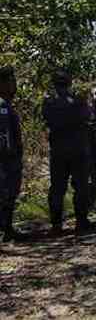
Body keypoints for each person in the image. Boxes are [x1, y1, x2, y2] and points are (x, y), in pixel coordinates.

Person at [42, 71, 94, 234]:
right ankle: (81, 222)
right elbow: (88, 118)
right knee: (80, 186)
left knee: (57, 188)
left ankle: (56, 225)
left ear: (54, 84)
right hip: (78, 149)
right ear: (69, 83)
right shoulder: (78, 101)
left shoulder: (48, 103)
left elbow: (46, 119)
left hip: (58, 151)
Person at [0, 66, 28, 242]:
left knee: (9, 194)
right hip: (6, 161)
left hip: (9, 160)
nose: (14, 85)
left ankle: (7, 229)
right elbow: (4, 137)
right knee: (6, 194)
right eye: (10, 81)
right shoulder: (2, 106)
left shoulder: (6, 104)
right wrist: (10, 156)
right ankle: (6, 230)